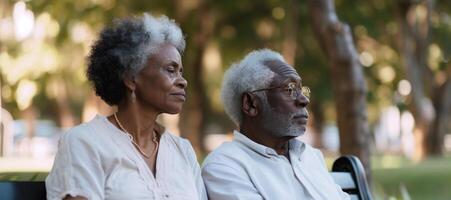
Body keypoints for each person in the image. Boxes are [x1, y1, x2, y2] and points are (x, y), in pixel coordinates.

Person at [46, 13, 207, 200]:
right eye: (171, 70)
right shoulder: (84, 142)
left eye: (181, 72)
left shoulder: (183, 151)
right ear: (132, 78)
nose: (183, 82)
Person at [201, 49, 350, 200]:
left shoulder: (310, 155)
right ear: (251, 104)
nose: (304, 100)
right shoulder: (225, 166)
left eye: (301, 90)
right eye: (289, 89)